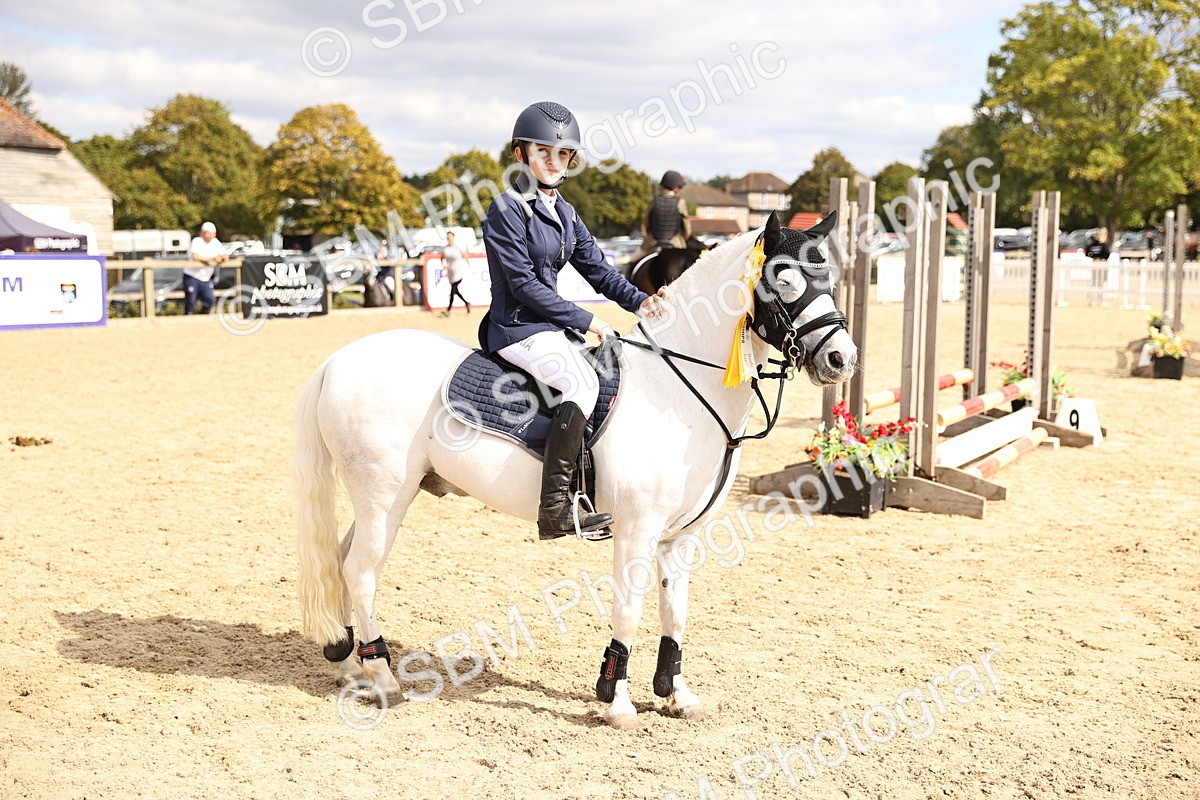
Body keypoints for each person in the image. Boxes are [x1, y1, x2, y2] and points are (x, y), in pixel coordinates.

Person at [482, 101, 666, 541]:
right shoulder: (506, 210)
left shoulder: (564, 211)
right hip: (516, 329)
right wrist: (589, 321)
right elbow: (524, 286)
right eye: (543, 150)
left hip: (550, 327)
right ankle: (556, 509)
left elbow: (598, 270)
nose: (553, 161)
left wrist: (642, 303)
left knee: (615, 370)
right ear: (520, 153)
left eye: (562, 154)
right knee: (581, 383)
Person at [631, 170, 692, 263]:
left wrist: (648, 236)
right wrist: (683, 238)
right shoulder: (681, 202)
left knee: (632, 262)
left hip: (652, 242)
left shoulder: (653, 200)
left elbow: (645, 224)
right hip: (675, 243)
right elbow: (687, 228)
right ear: (675, 188)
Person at [186, 222, 227, 314]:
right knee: (191, 301)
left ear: (215, 234)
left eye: (210, 233)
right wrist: (213, 259)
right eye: (206, 233)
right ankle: (188, 318)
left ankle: (204, 316)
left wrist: (222, 258)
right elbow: (196, 257)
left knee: (210, 300)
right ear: (201, 233)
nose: (208, 235)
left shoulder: (215, 242)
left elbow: (225, 255)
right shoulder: (197, 241)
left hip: (206, 277)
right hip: (192, 276)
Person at [440, 231, 470, 317]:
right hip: (451, 272)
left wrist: (470, 267)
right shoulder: (445, 249)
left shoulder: (458, 247)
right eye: (448, 237)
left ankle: (448, 310)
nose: (449, 239)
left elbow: (466, 256)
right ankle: (466, 303)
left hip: (458, 271)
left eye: (450, 237)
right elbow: (441, 259)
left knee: (453, 290)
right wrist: (444, 266)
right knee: (455, 291)